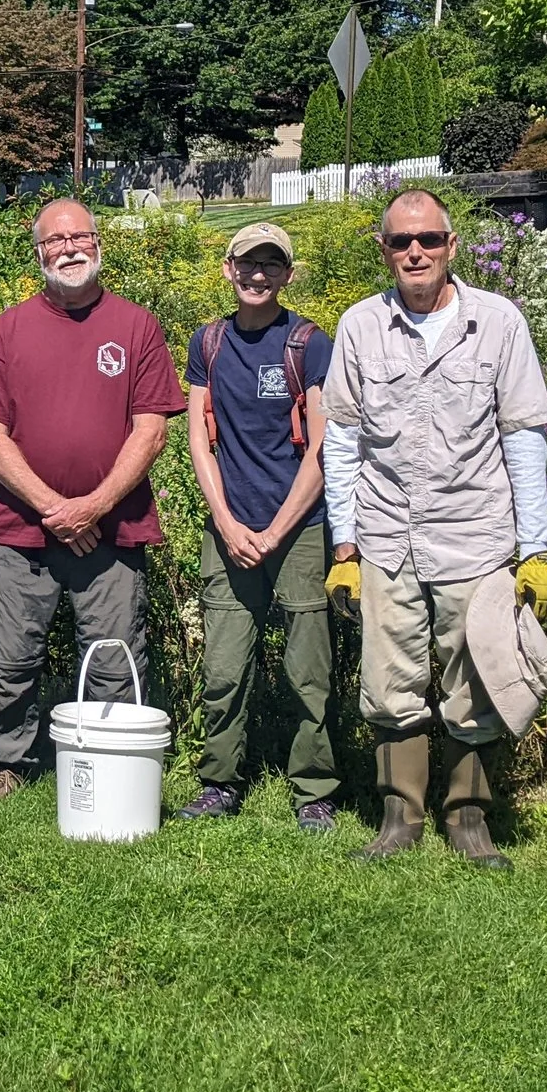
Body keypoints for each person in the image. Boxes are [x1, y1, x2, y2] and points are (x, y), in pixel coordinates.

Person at [322, 188, 547, 869]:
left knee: (477, 681)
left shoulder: (499, 322)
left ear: (453, 245)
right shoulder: (361, 326)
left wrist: (535, 551)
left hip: (475, 537)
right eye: (401, 241)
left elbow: (523, 435)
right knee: (389, 683)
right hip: (387, 538)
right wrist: (346, 548)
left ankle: (469, 821)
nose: (415, 251)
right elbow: (340, 443)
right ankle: (401, 818)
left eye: (428, 239)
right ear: (385, 250)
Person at [0, 197, 185, 806]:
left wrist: (94, 507)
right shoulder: (7, 331)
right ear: (38, 254)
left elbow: (152, 429)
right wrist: (58, 509)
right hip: (21, 531)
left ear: (98, 244)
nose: (68, 249)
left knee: (113, 657)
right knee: (8, 657)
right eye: (54, 242)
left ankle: (109, 760)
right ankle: (4, 762)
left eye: (78, 237)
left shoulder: (137, 326)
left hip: (114, 532)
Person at [179, 222, 340, 827]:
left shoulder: (307, 343)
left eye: (272, 265)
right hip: (229, 529)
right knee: (224, 667)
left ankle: (314, 790)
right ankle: (219, 781)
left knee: (308, 671)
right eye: (248, 263)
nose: (258, 275)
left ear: (288, 275)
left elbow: (323, 449)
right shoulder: (209, 342)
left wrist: (275, 532)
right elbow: (199, 436)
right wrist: (225, 521)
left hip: (298, 531)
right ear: (228, 268)